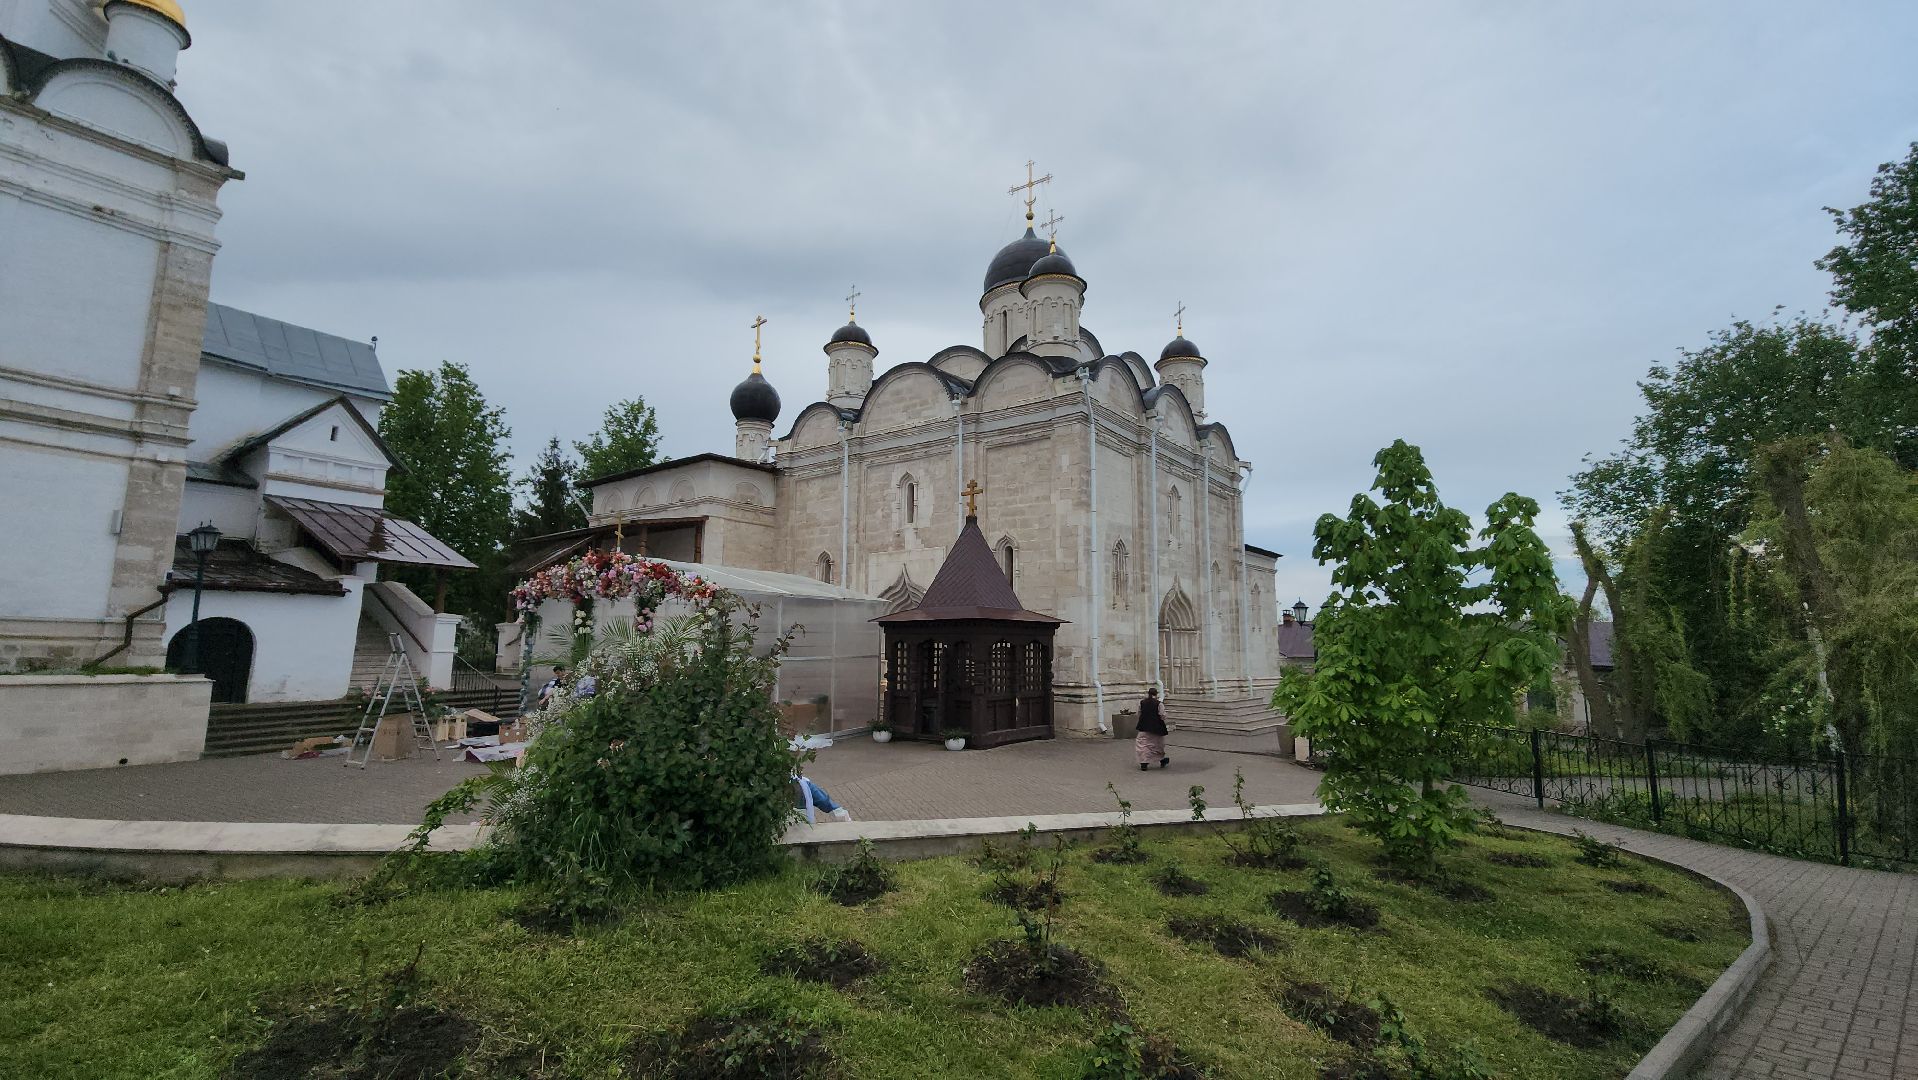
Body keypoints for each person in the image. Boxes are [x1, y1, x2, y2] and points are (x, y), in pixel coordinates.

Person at [1136, 686, 1169, 771]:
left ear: (1148, 694)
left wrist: (1143, 720)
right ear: (1156, 694)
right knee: (1158, 744)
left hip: (1144, 727)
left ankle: (1144, 762)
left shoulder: (1142, 702)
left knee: (1143, 744)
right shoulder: (1159, 704)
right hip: (1156, 728)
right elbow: (1162, 715)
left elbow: (1139, 713)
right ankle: (1161, 760)